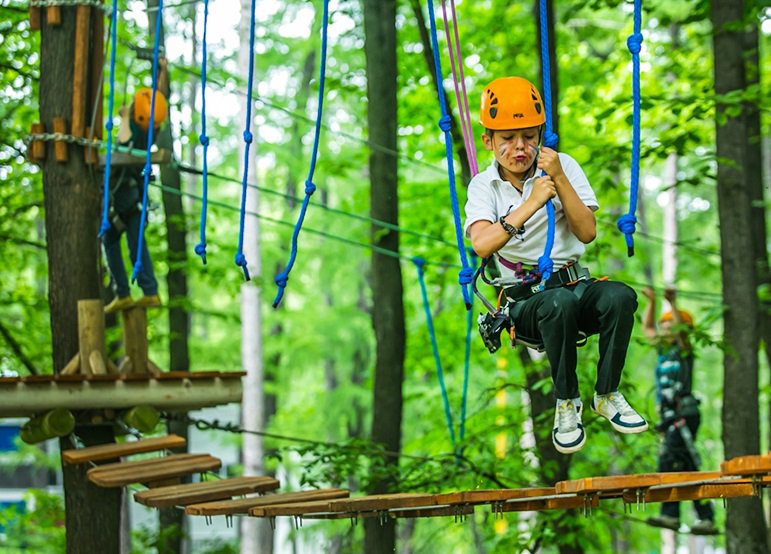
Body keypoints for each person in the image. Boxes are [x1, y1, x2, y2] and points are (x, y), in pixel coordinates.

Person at [464, 76, 647, 454]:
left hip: (571, 285)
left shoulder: (562, 168)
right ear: (488, 141)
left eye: (529, 137)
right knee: (557, 305)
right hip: (526, 302)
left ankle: (607, 393)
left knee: (620, 297)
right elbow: (482, 244)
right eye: (508, 139)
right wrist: (530, 203)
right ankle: (567, 403)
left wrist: (559, 178)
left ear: (541, 136)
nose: (520, 147)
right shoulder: (484, 186)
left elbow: (587, 232)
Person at [641, 287, 718, 535]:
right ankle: (706, 517)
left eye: (669, 326)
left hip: (684, 414)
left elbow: (680, 332)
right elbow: (648, 330)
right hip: (670, 418)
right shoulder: (663, 352)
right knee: (686, 466)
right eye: (663, 327)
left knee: (669, 461)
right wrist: (652, 302)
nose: (665, 331)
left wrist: (671, 304)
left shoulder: (684, 350)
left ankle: (670, 515)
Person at [102, 59, 169, 314]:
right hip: (135, 197)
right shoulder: (152, 130)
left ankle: (123, 292)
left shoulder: (136, 130)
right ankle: (149, 291)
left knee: (111, 239)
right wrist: (163, 72)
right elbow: (160, 99)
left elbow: (123, 143)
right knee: (134, 244)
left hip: (125, 198)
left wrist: (125, 117)